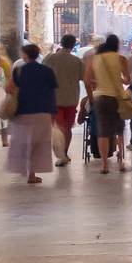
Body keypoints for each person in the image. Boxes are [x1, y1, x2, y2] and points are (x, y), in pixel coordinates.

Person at [5, 44, 57, 184]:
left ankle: (23, 170)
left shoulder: (19, 70)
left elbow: (9, 89)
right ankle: (32, 175)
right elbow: (52, 93)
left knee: (22, 142)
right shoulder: (47, 71)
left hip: (23, 111)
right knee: (39, 144)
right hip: (43, 111)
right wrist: (53, 112)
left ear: (25, 55)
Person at [83, 34, 130, 174]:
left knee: (103, 131)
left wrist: (91, 98)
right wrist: (120, 80)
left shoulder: (95, 60)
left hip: (100, 98)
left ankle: (104, 164)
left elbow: (87, 81)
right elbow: (128, 80)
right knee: (119, 130)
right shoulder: (121, 59)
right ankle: (121, 161)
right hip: (117, 97)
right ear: (117, 45)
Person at [43, 34, 84, 166]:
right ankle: (64, 153)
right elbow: (83, 77)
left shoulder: (50, 58)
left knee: (58, 126)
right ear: (73, 45)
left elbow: (42, 74)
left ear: (61, 43)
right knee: (67, 127)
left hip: (54, 97)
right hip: (72, 98)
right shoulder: (77, 61)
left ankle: (61, 155)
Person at [0, 42, 9, 147]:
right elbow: (3, 83)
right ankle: (5, 141)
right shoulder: (1, 67)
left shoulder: (4, 63)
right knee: (3, 119)